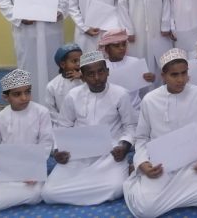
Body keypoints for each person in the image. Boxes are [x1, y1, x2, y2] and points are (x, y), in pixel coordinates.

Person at [123, 48, 197, 217]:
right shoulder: (150, 99)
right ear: (163, 76)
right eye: (174, 75)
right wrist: (142, 163)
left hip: (191, 162)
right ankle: (136, 181)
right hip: (160, 164)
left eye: (184, 73)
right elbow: (142, 138)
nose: (181, 79)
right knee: (146, 210)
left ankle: (164, 197)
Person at [42, 51, 137, 206]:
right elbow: (63, 126)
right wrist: (58, 150)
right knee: (48, 193)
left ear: (107, 72)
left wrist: (124, 147)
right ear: (83, 76)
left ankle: (84, 188)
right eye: (91, 74)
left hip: (110, 155)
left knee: (116, 188)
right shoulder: (73, 95)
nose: (97, 78)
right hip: (78, 153)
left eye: (101, 72)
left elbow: (130, 126)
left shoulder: (120, 94)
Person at [0, 69, 53, 212]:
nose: (24, 98)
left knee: (36, 194)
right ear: (6, 97)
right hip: (7, 168)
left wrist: (34, 169)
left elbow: (46, 144)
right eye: (17, 94)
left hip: (32, 165)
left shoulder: (41, 112)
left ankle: (31, 192)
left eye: (27, 92)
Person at [99, 29, 154, 109]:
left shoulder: (135, 62)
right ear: (107, 49)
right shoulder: (102, 66)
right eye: (116, 46)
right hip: (111, 109)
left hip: (135, 108)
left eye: (124, 44)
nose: (122, 48)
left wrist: (150, 78)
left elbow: (144, 88)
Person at [45, 43, 83, 126]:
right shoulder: (52, 85)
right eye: (74, 61)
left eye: (81, 60)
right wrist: (64, 123)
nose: (78, 64)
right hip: (62, 126)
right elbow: (51, 110)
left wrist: (83, 77)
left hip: (83, 123)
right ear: (63, 64)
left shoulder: (85, 80)